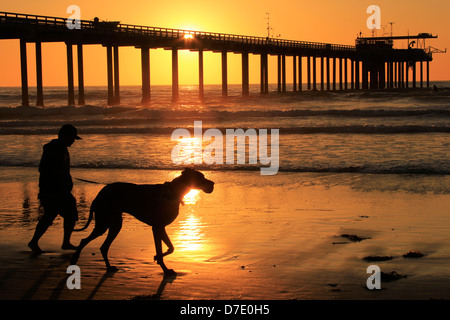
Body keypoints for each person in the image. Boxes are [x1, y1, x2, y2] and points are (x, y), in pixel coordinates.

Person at [28, 124, 82, 254]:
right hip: (52, 190)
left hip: (60, 190)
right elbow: (43, 169)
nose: (73, 141)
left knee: (68, 214)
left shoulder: (61, 148)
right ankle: (35, 242)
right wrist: (59, 175)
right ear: (64, 136)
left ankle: (65, 242)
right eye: (72, 138)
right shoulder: (53, 149)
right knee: (51, 215)